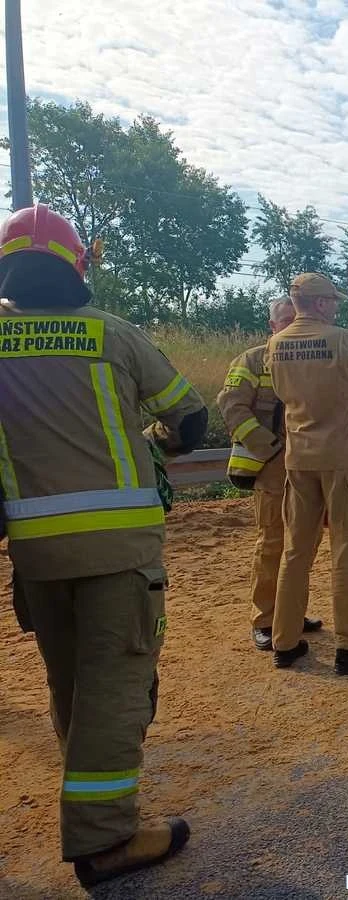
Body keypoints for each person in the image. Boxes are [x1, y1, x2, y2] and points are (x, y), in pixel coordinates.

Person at [0, 204, 206, 885]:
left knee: (71, 684)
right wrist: (156, 445)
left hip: (35, 553)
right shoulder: (112, 335)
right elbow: (189, 416)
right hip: (117, 552)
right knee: (116, 689)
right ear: (76, 268)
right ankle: (106, 839)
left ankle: (94, 800)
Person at [267, 273, 348, 675]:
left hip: (297, 460)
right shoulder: (340, 340)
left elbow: (282, 393)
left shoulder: (276, 343)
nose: (335, 306)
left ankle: (284, 641)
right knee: (347, 550)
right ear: (319, 303)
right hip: (340, 460)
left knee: (295, 551)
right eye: (332, 301)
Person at [216, 297, 322, 650]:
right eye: (285, 320)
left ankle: (290, 614)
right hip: (274, 466)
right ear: (272, 326)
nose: (293, 326)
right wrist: (269, 448)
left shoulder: (316, 358)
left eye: (297, 319)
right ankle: (264, 619)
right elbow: (231, 406)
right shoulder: (251, 360)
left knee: (304, 544)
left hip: (310, 463)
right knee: (273, 543)